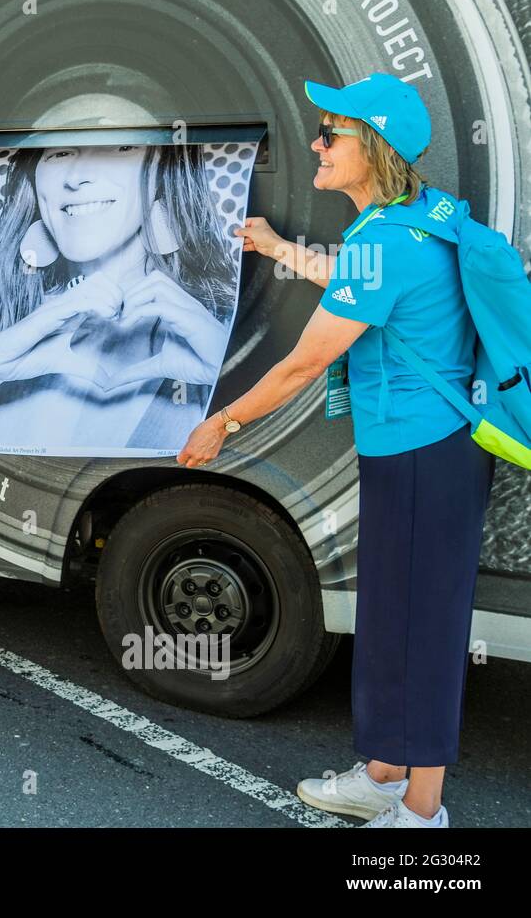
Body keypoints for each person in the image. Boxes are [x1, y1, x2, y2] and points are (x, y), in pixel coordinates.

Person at [178, 73, 493, 828]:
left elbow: (304, 362)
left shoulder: (386, 241)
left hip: (427, 458)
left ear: (373, 147)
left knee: (424, 632)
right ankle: (383, 774)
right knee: (391, 617)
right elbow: (356, 289)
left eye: (332, 134)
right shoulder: (412, 219)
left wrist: (222, 421)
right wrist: (279, 246)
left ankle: (421, 813)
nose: (316, 144)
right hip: (415, 452)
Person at [0, 143, 234, 452]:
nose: (77, 178)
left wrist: (232, 382)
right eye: (61, 152)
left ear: (165, 171)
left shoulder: (222, 331)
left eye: (123, 147)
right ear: (33, 179)